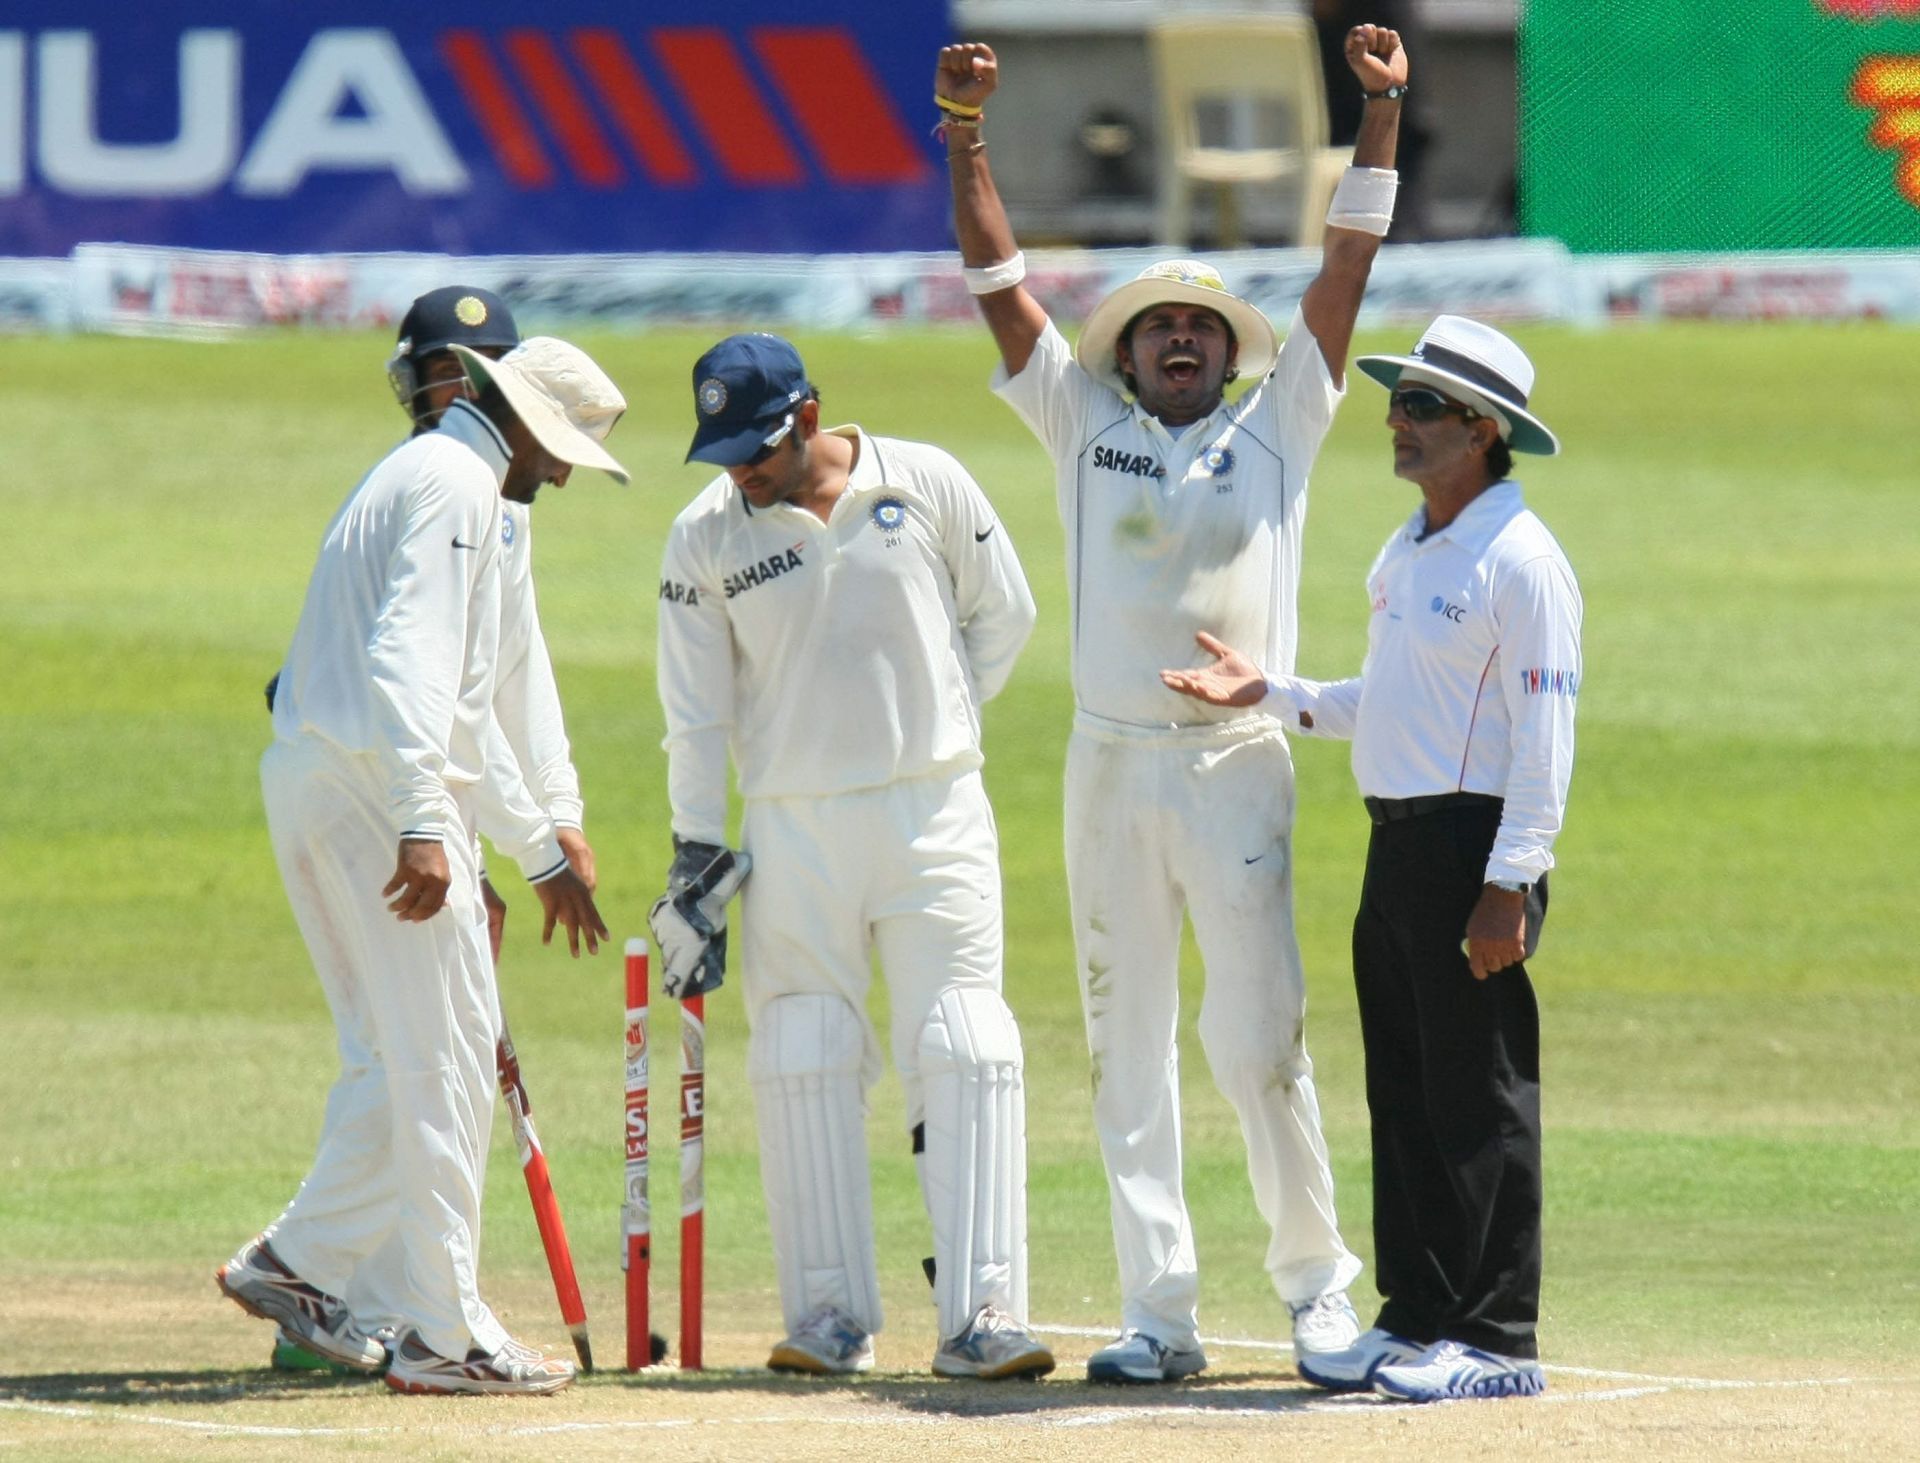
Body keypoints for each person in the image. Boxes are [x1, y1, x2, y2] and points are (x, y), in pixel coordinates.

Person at [937, 27, 1409, 1382]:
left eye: (1203, 325)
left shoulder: (1284, 419)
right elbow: (997, 282)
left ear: (1227, 349)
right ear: (1129, 352)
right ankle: (1161, 1310)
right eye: (1162, 327)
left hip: (1236, 760)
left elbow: (1346, 264)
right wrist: (964, 130)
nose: (1185, 340)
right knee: (1122, 1042)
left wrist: (1379, 111)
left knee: (1260, 1037)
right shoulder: (1083, 422)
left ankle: (1319, 1289)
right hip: (1110, 766)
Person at [1160, 315, 1580, 1403]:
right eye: (1398, 400)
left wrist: (1511, 880)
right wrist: (1275, 693)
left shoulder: (1522, 561)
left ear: (1484, 430)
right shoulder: (1412, 545)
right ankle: (1421, 1311)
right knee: (1405, 1089)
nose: (1397, 419)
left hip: (1472, 847)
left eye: (1423, 406)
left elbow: (1545, 737)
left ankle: (1497, 1336)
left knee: (1478, 1094)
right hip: (1396, 843)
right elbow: (1388, 701)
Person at [218, 339, 626, 1396]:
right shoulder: (453, 480)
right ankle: (443, 1331)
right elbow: (413, 662)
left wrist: (540, 835)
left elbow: (486, 689)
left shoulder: (435, 473)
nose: (570, 471)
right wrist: (423, 823)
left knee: (406, 1055)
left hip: (323, 775)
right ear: (526, 416)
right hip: (373, 790)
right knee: (445, 1055)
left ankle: (299, 1263)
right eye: (568, 445)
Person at [652, 333, 1050, 1379]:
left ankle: (986, 1311)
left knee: (965, 1045)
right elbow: (693, 715)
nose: (741, 467)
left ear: (812, 412)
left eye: (758, 444)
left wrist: (937, 721)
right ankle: (829, 1315)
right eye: (725, 448)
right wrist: (696, 851)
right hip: (793, 825)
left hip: (936, 811)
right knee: (804, 1050)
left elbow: (1003, 616)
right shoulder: (703, 537)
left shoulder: (923, 479)